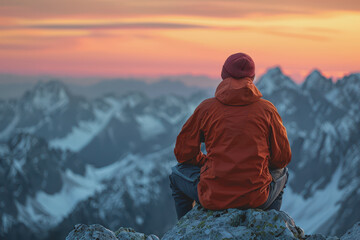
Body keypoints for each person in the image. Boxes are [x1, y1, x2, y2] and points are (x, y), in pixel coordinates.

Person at [169, 53, 291, 220]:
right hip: (257, 198)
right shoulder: (267, 110)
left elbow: (183, 154)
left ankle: (185, 229)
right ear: (252, 78)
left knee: (176, 175)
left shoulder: (206, 109)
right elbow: (281, 159)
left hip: (213, 196)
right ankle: (267, 225)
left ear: (223, 75)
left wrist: (205, 162)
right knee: (282, 172)